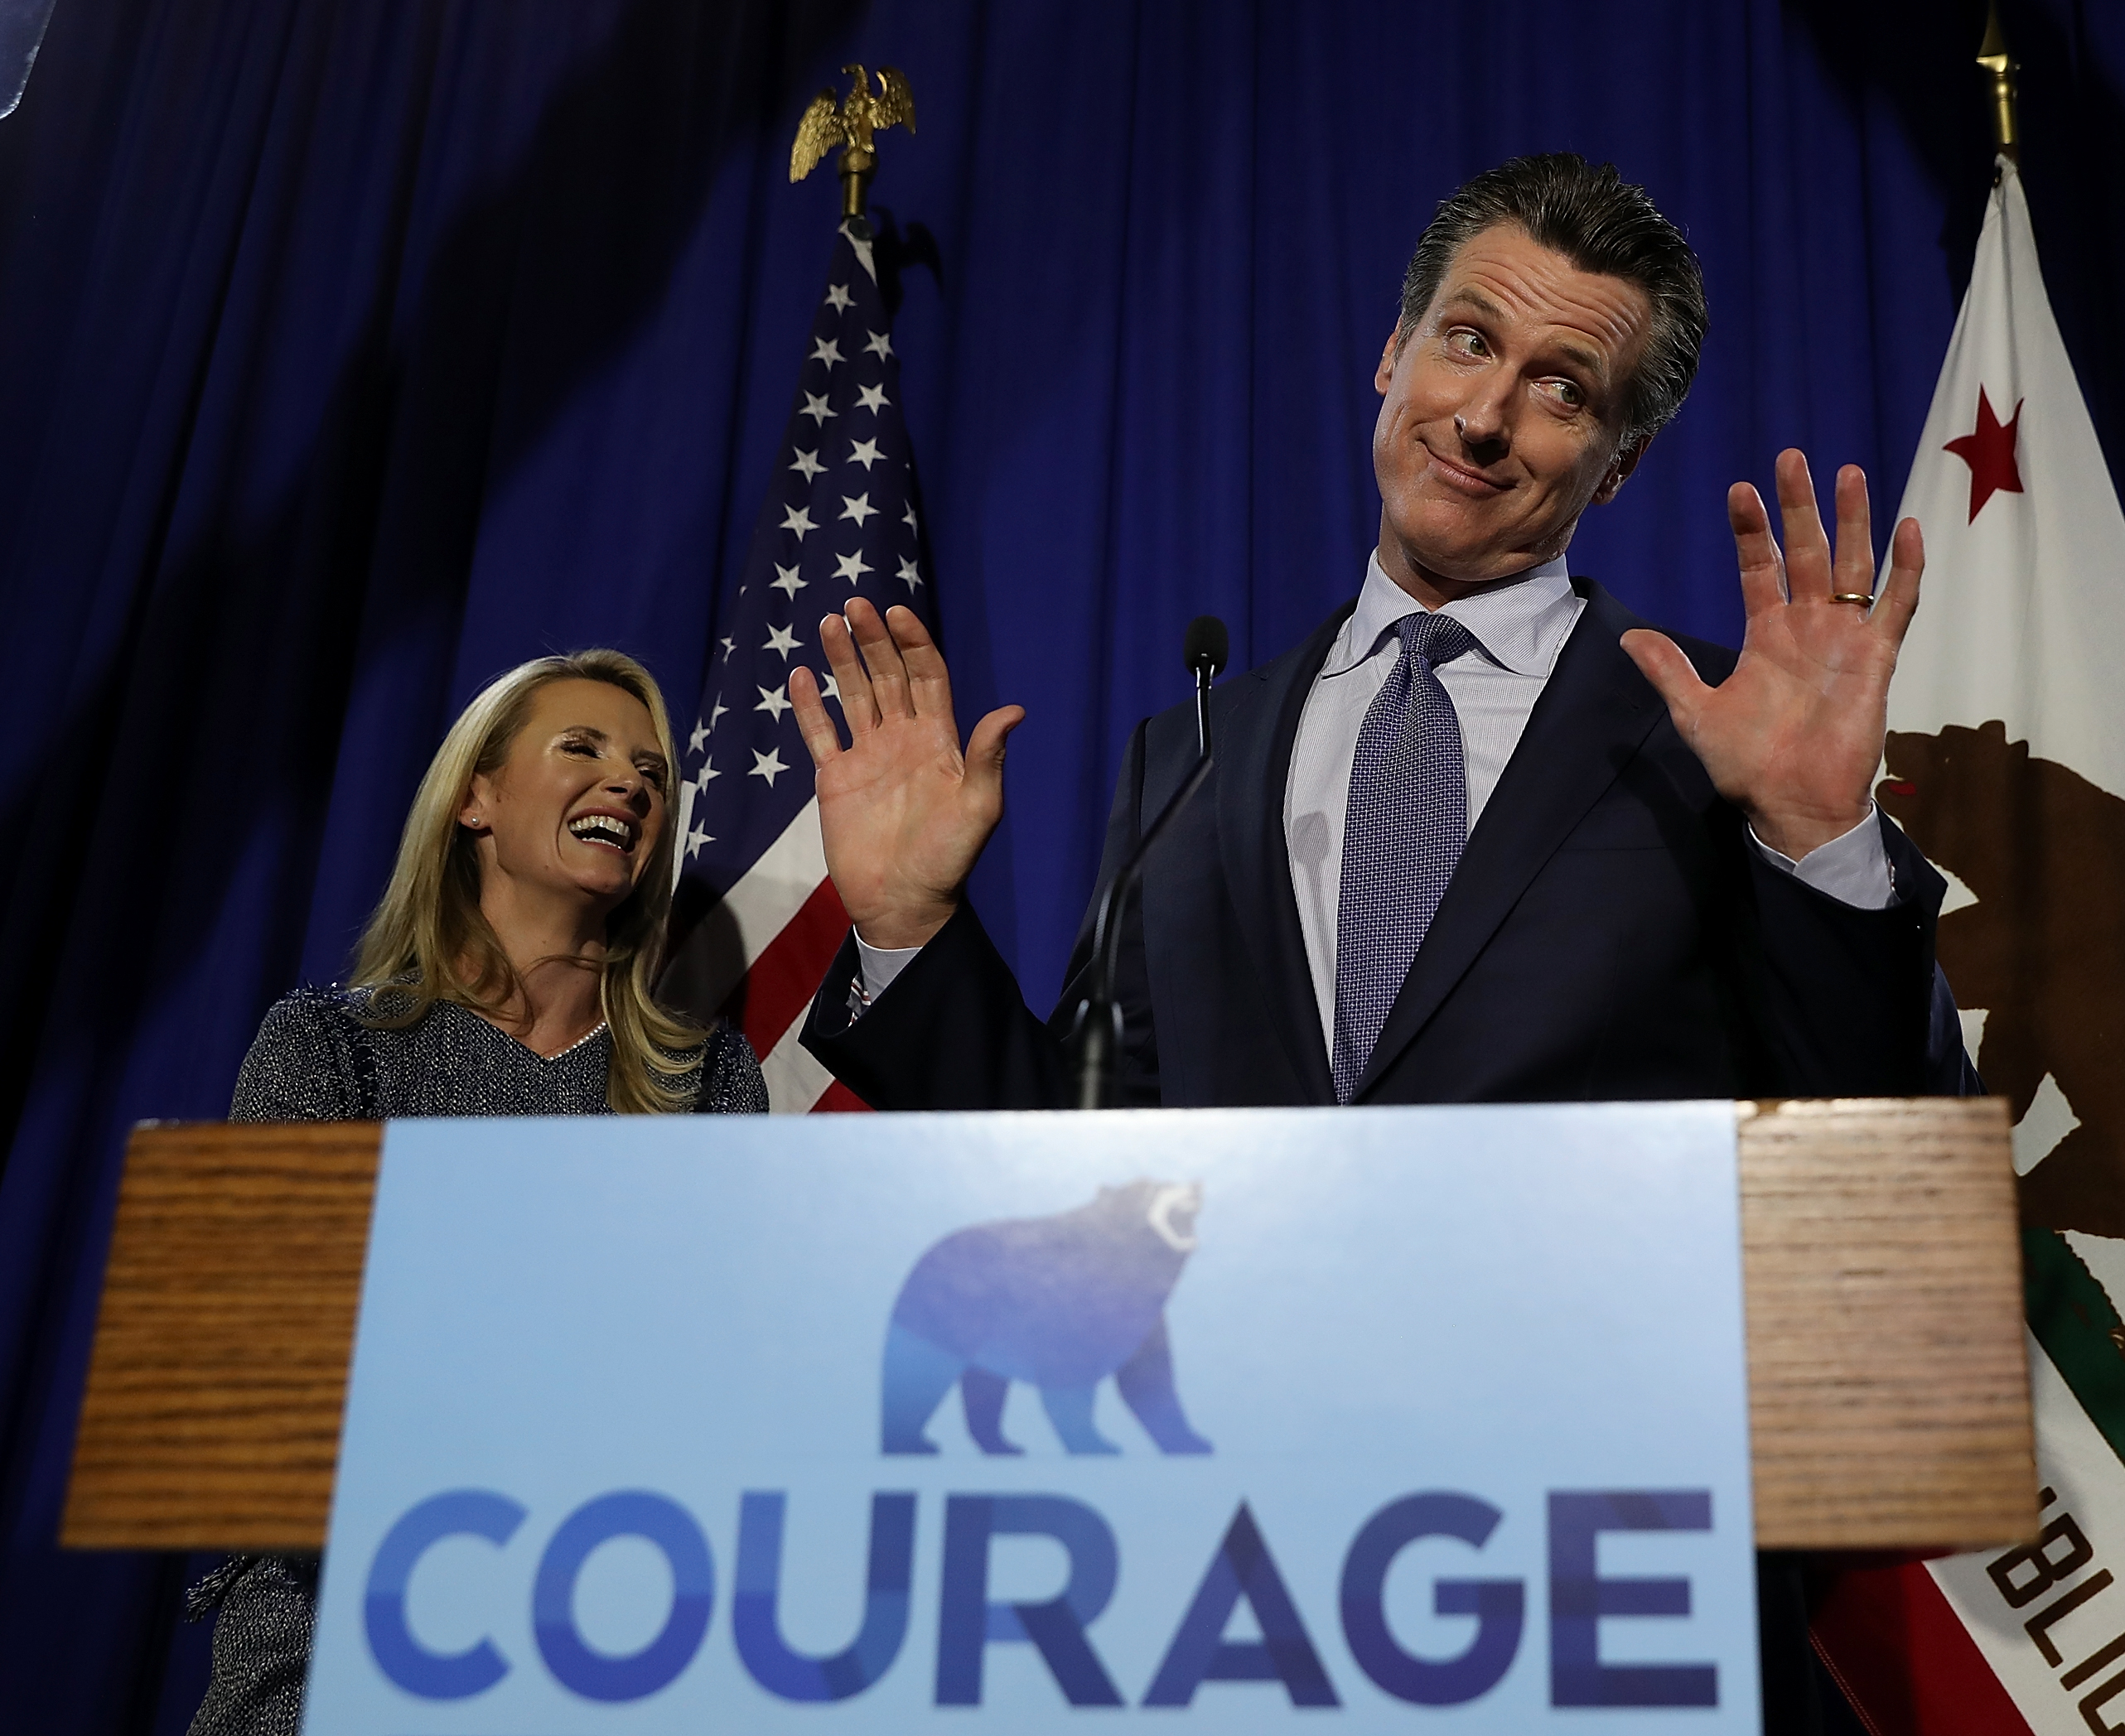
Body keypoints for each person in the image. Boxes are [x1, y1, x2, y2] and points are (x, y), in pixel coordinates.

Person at [785, 153, 1968, 1734]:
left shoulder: (1715, 732)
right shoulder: (1192, 749)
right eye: (1468, 342)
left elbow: (1890, 1170)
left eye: (1562, 388)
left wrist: (1819, 842)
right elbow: (1088, 1189)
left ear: (1615, 467)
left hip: (1607, 1594)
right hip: (1242, 1588)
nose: (1486, 417)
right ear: (1389, 358)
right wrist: (912, 931)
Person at [186, 649, 766, 1736]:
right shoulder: (331, 1046)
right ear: (476, 799)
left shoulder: (709, 1084)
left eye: (650, 770)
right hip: (333, 1646)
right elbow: (261, 1395)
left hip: (610, 1652)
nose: (631, 784)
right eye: (582, 749)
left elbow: (717, 1400)